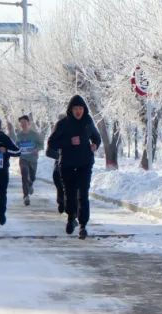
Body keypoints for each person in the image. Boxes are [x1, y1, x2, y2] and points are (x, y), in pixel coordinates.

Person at [47, 95, 101, 240]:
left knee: (83, 194)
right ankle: (71, 217)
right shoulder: (63, 124)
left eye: (80, 108)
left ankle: (83, 225)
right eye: (75, 108)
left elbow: (97, 137)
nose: (78, 111)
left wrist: (95, 145)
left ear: (84, 109)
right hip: (67, 164)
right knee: (70, 194)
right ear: (71, 110)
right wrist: (69, 142)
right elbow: (52, 143)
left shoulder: (88, 122)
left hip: (85, 163)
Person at [15, 115, 43, 206]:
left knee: (32, 177)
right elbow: (16, 145)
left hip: (33, 159)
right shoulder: (19, 135)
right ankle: (26, 196)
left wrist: (36, 149)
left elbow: (41, 145)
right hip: (23, 158)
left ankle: (30, 184)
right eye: (21, 123)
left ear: (29, 123)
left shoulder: (34, 135)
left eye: (25, 122)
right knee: (24, 175)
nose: (23, 124)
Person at [45, 115, 66, 213]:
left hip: (75, 167)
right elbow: (48, 152)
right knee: (60, 186)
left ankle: (73, 211)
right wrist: (61, 156)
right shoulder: (55, 138)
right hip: (59, 168)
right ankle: (61, 201)